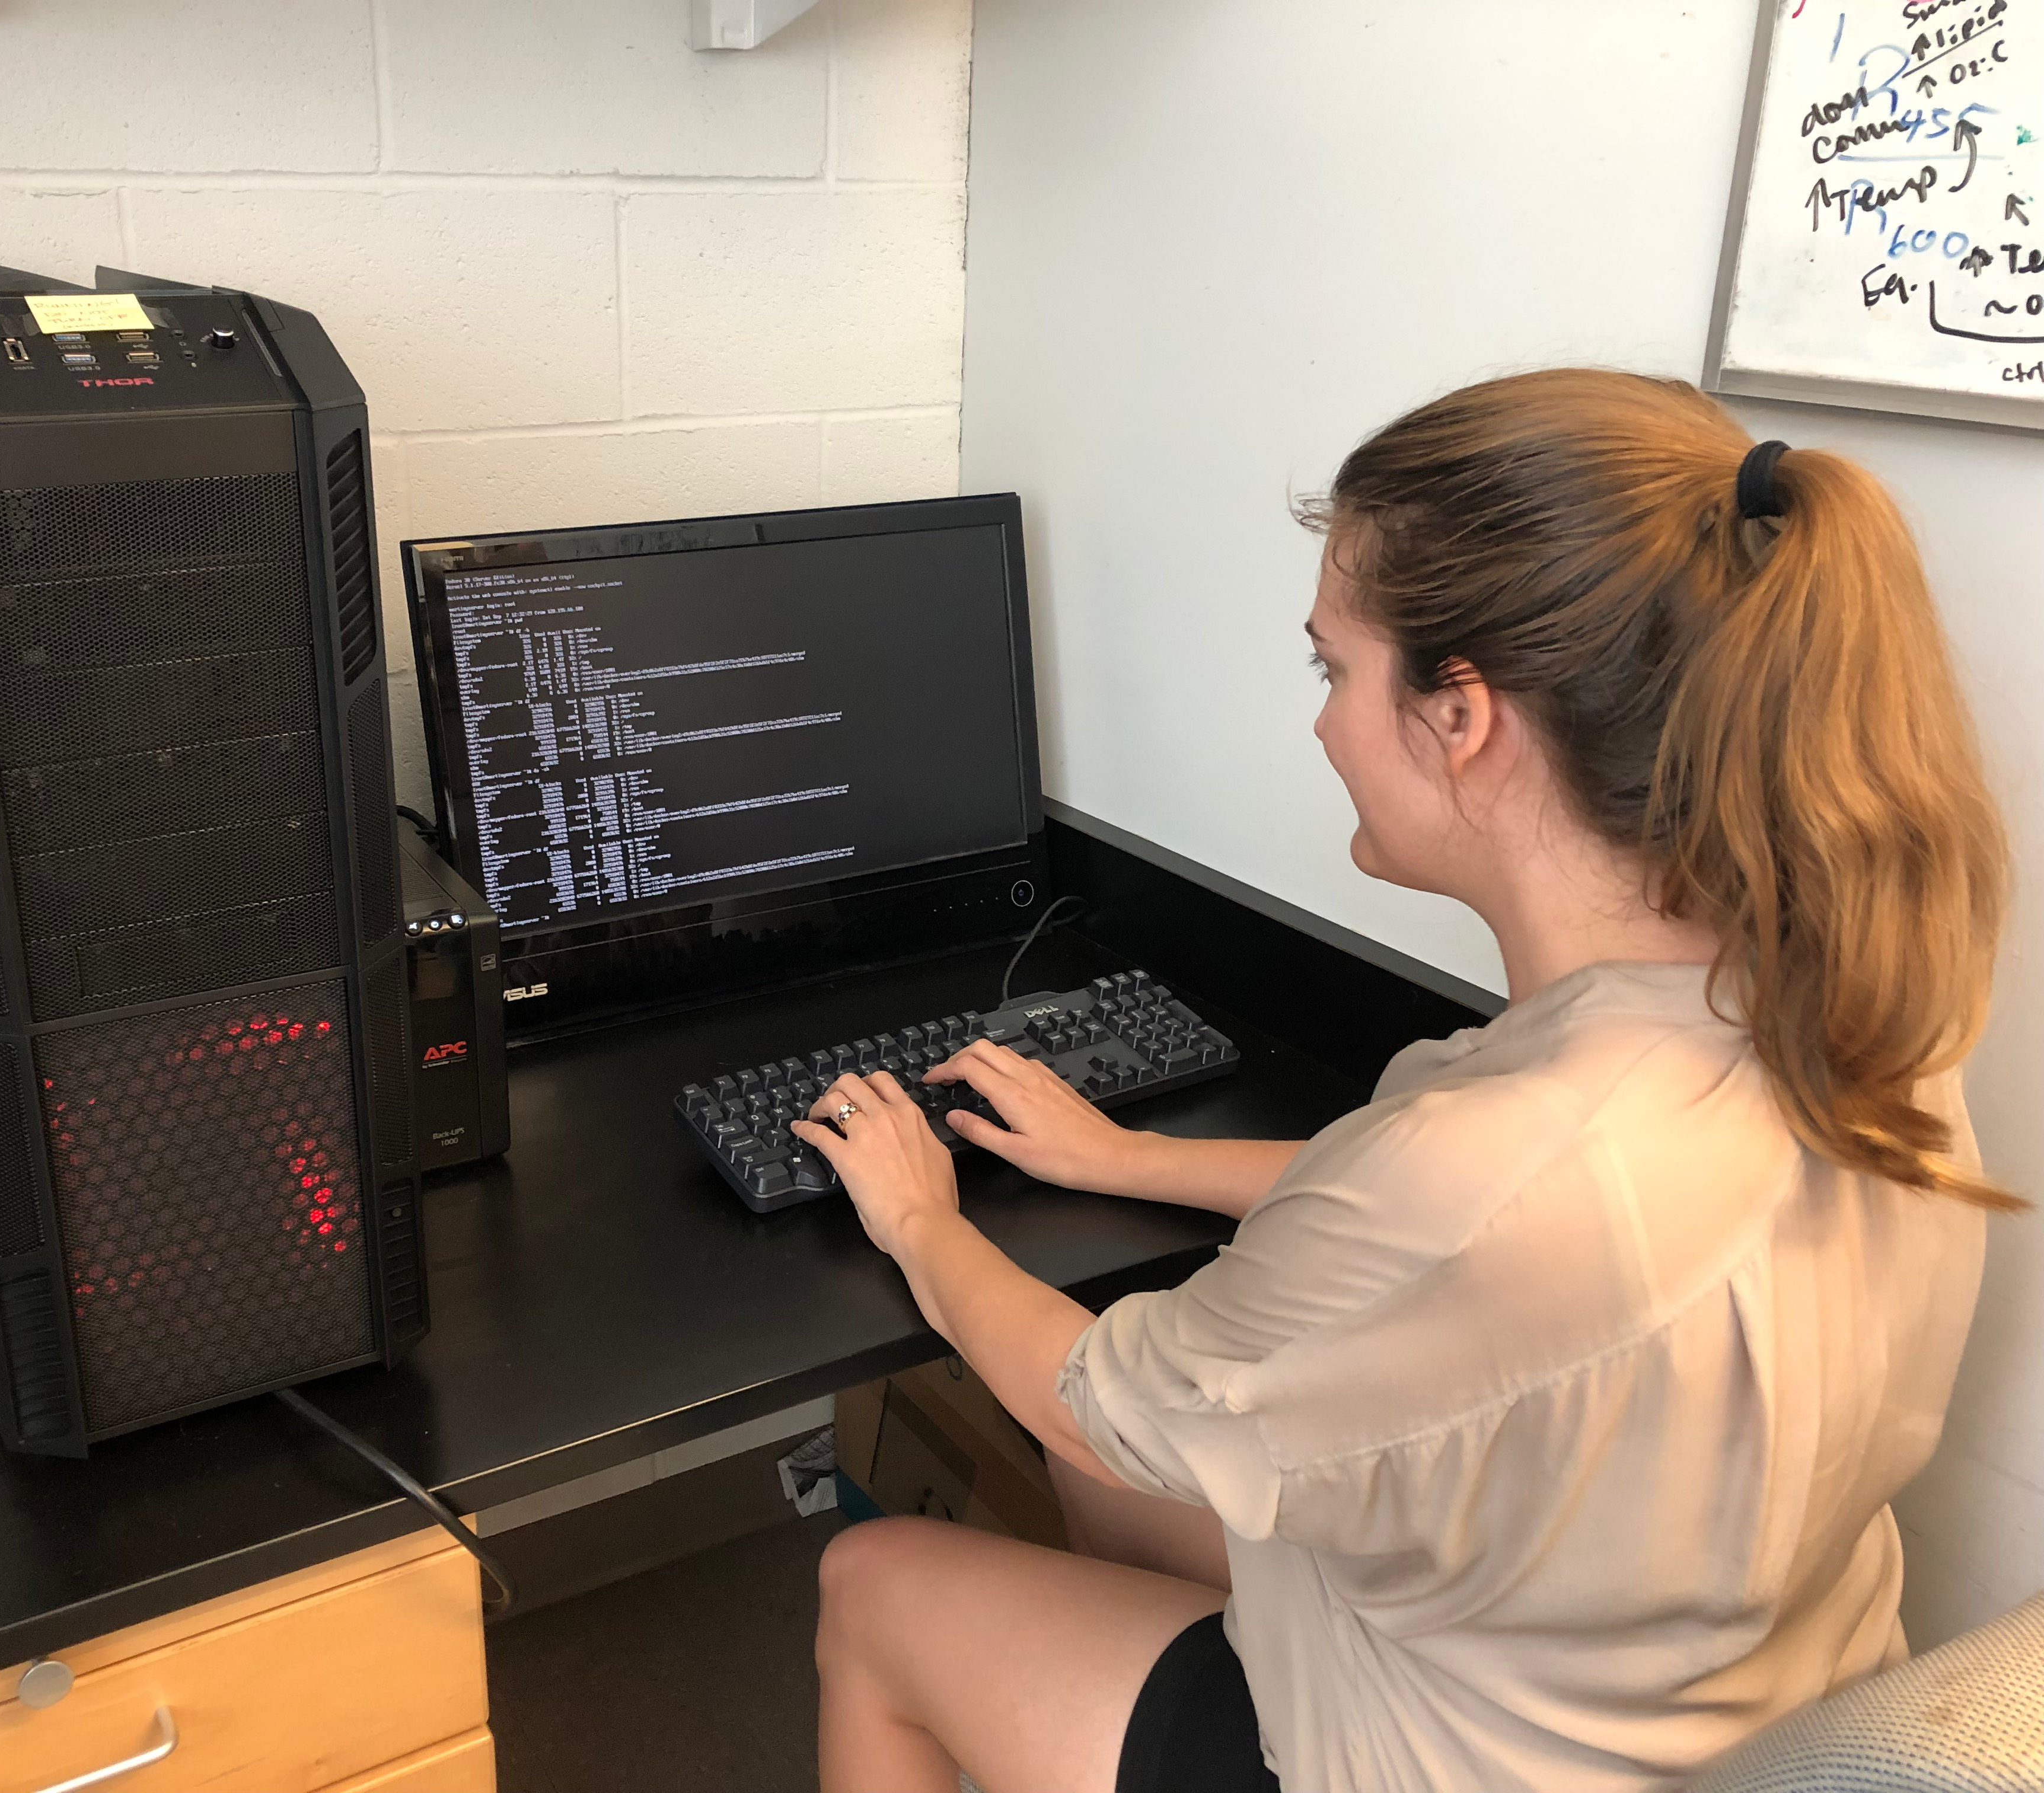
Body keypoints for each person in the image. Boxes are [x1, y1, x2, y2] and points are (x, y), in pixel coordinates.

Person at [790, 369, 2014, 1793]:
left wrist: (920, 1220)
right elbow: (1447, 1259)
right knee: (1118, 1477)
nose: (1322, 725)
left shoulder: (1491, 1170)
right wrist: (1130, 1160)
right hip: (1716, 1694)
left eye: (1334, 669)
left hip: (1485, 1758)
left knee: (877, 1581)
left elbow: (1088, 1397)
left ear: (1462, 714)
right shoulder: (1857, 1018)